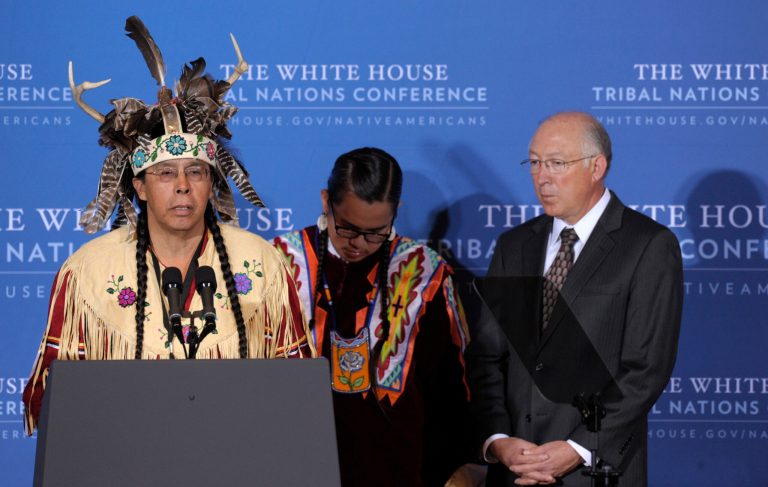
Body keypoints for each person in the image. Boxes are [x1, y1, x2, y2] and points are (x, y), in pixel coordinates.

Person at [23, 17, 313, 435]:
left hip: (237, 455)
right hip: (125, 458)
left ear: (212, 182)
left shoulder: (260, 263)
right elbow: (54, 399)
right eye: (165, 174)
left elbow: (297, 391)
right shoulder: (88, 271)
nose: (182, 187)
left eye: (196, 171)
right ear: (138, 186)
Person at [467, 112, 683, 486]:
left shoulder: (647, 246)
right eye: (534, 163)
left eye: (556, 163)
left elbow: (645, 370)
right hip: (514, 472)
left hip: (593, 472)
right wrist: (499, 441)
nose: (542, 176)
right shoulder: (513, 246)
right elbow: (487, 358)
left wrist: (578, 447)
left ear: (596, 166)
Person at [273, 147, 471, 487]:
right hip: (293, 461)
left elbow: (452, 383)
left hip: (397, 467)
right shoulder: (277, 262)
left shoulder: (425, 272)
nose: (359, 244)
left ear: (396, 212)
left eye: (377, 232)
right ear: (325, 201)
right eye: (347, 228)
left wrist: (463, 462)